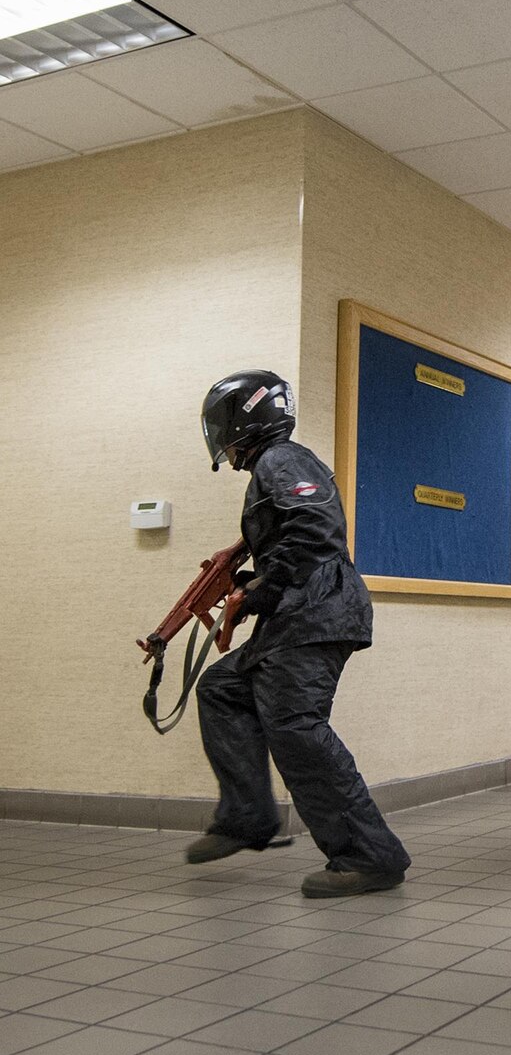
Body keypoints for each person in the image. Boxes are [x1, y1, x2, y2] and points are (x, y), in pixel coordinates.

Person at [184, 370, 411, 898]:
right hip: (301, 612)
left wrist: (255, 594)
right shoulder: (274, 465)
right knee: (223, 690)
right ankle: (247, 818)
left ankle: (370, 856)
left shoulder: (281, 460)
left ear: (244, 419)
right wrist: (244, 585)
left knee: (294, 725)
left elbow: (314, 531)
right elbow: (293, 544)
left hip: (318, 611)